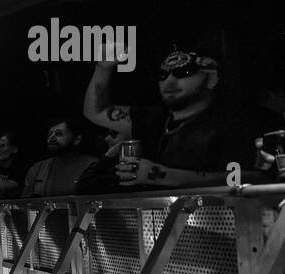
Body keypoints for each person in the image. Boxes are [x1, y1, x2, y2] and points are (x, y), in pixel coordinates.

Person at [83, 37, 262, 190]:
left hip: (223, 221)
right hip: (164, 223)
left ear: (211, 77)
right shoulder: (155, 120)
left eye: (182, 72)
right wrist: (103, 68)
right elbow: (96, 111)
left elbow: (255, 178)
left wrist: (164, 176)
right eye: (164, 75)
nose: (169, 81)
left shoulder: (235, 121)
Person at [21, 117, 97, 197]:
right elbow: (26, 202)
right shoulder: (37, 169)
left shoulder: (92, 165)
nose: (51, 138)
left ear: (77, 140)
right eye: (49, 135)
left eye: (59, 134)